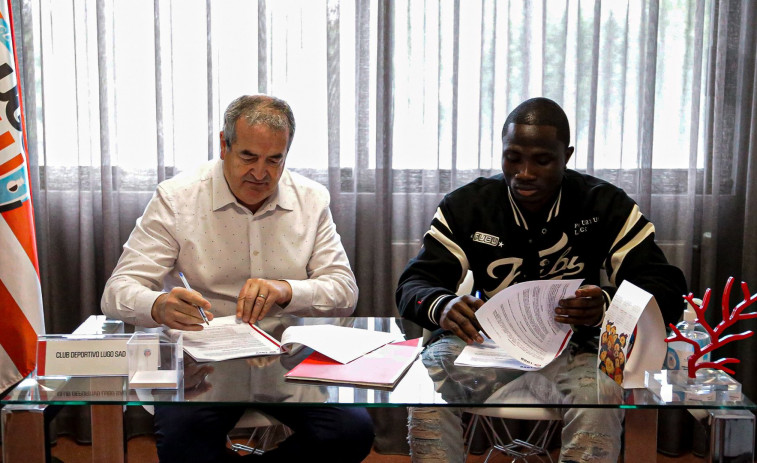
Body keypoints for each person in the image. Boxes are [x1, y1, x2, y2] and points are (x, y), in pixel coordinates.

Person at [396, 97, 687, 462]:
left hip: (581, 345)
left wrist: (608, 303)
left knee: (602, 388)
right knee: (425, 379)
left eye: (542, 160)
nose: (525, 172)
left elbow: (665, 286)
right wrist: (444, 305)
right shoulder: (467, 206)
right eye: (513, 157)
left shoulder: (606, 205)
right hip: (491, 344)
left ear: (566, 155)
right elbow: (415, 283)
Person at [102, 95, 374, 462]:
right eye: (248, 157)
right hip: (202, 364)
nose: (260, 173)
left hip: (286, 358)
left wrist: (286, 290)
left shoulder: (311, 200)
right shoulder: (177, 198)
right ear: (223, 145)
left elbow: (344, 291)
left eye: (274, 160)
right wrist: (159, 304)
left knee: (350, 433)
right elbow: (117, 292)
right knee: (183, 442)